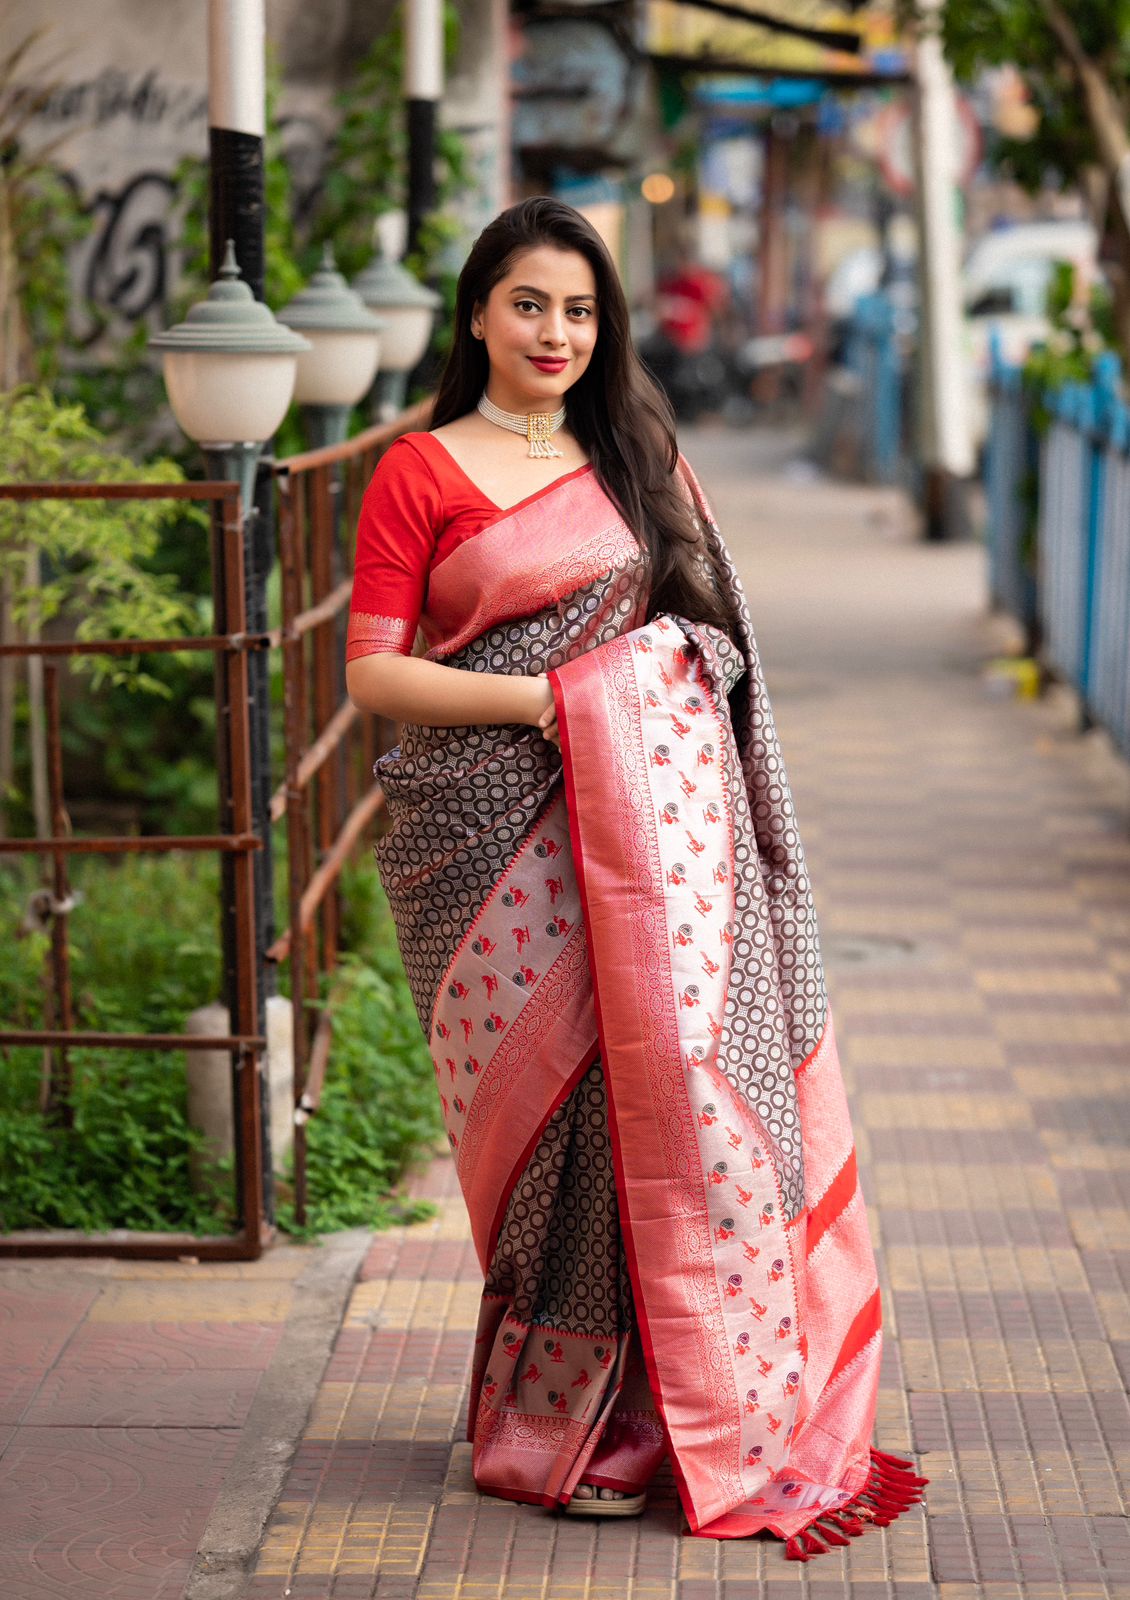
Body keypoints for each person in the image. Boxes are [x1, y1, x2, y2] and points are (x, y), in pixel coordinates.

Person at [345, 196, 927, 1555]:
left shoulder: (636, 456)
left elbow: (708, 648)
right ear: (476, 314)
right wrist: (554, 705)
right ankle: (553, 1415)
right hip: (482, 831)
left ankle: (660, 1421)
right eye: (529, 304)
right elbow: (374, 672)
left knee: (648, 1104)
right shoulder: (416, 470)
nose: (555, 331)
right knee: (542, 1131)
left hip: (649, 844)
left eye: (580, 310)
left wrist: (634, 698)